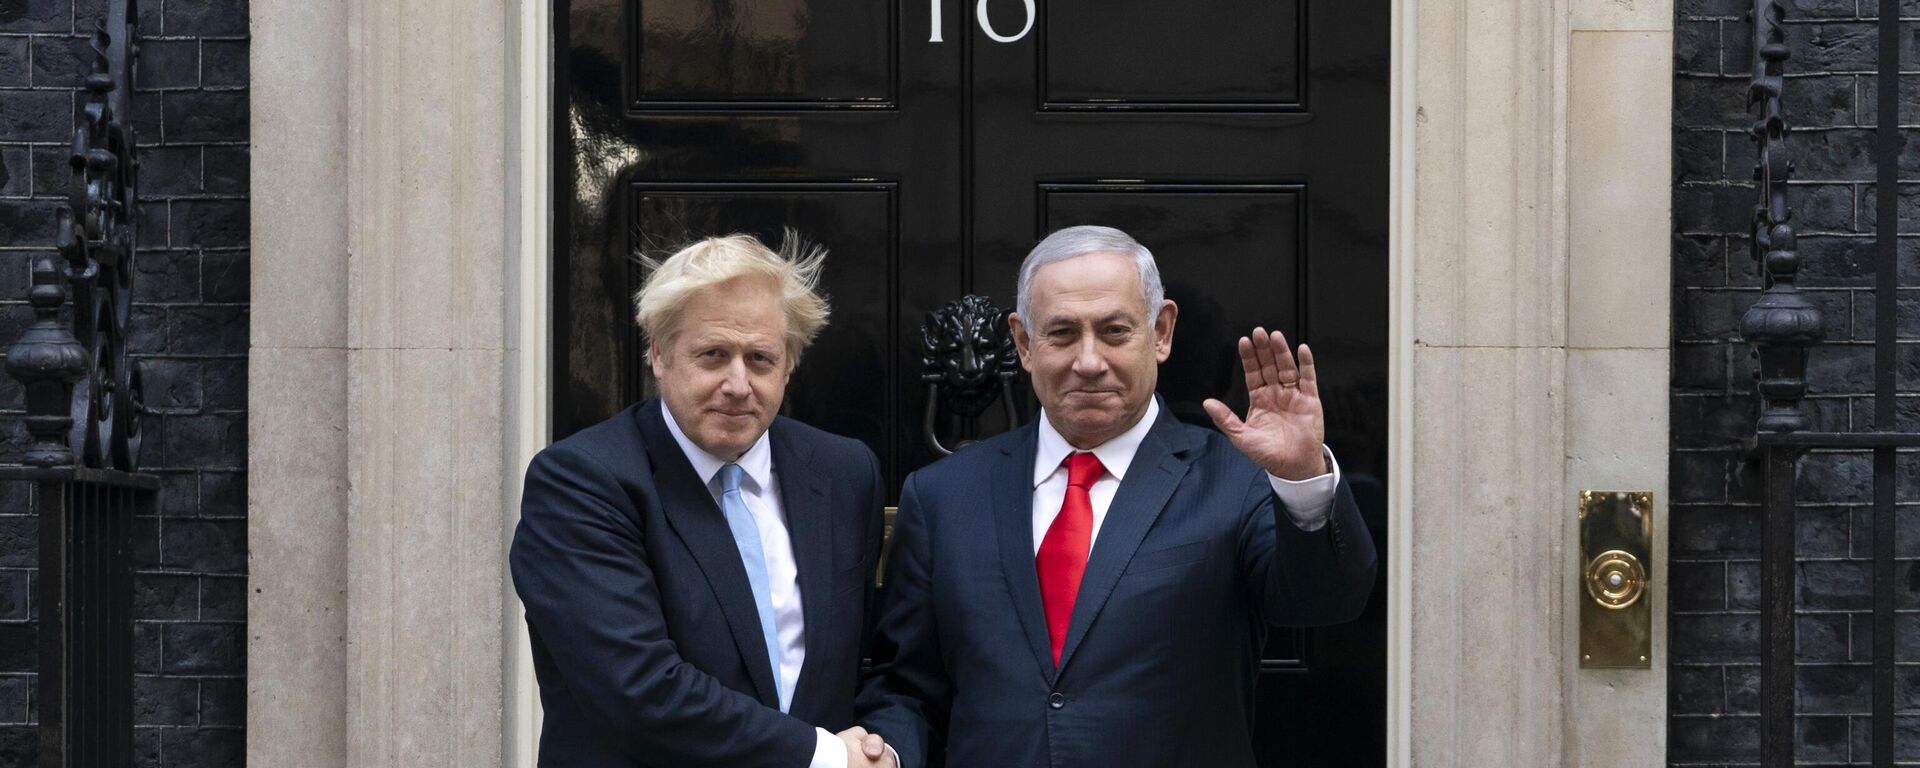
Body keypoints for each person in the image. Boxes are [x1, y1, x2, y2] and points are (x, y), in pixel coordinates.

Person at [856, 225, 1377, 767]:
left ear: (1161, 332)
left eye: (1114, 331)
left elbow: (1326, 601)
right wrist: (885, 750)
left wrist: (1301, 478)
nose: (1088, 361)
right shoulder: (944, 495)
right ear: (1023, 343)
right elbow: (907, 684)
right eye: (1061, 333)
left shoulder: (1236, 478)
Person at [511, 233, 895, 767]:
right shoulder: (581, 483)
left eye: (760, 359)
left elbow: (871, 659)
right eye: (713, 355)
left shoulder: (843, 472)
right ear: (659, 354)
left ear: (790, 365)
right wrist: (825, 757)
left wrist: (886, 750)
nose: (737, 383)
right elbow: (639, 688)